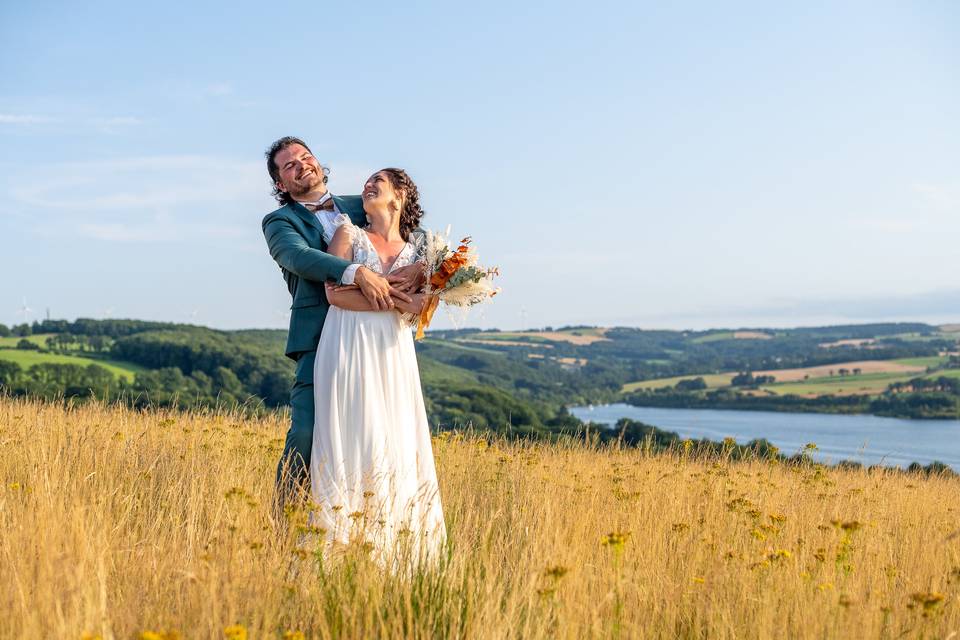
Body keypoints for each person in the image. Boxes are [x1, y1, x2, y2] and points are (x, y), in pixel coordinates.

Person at [261, 137, 421, 513]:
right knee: (306, 432)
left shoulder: (361, 202)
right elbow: (298, 256)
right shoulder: (280, 222)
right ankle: (287, 521)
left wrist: (424, 265)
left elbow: (410, 229)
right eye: (289, 165)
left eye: (305, 157)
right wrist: (356, 271)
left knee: (378, 432)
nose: (302, 165)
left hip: (377, 339)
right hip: (321, 338)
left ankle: (370, 519)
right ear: (281, 185)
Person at [310, 168, 446, 560]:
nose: (367, 186)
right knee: (355, 435)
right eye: (367, 182)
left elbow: (424, 308)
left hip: (394, 353)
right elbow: (336, 295)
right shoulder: (347, 234)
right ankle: (344, 547)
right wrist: (399, 298)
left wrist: (417, 301)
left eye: (378, 181)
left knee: (397, 439)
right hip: (349, 345)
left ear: (400, 195)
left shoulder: (423, 252)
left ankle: (395, 548)